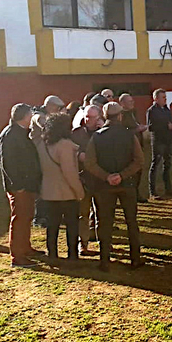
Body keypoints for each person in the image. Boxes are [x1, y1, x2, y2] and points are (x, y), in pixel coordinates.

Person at [84, 102, 145, 271]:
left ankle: (104, 261)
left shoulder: (96, 137)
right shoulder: (129, 135)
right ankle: (135, 258)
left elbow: (89, 162)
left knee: (104, 223)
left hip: (104, 186)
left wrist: (107, 176)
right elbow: (139, 160)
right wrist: (123, 175)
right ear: (120, 116)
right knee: (131, 221)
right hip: (127, 185)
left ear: (104, 116)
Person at [0, 103, 43, 267]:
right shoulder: (10, 135)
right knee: (19, 219)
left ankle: (25, 247)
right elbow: (7, 163)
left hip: (28, 184)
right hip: (19, 187)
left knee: (27, 216)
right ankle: (17, 256)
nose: (32, 118)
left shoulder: (22, 133)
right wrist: (18, 185)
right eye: (30, 115)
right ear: (24, 117)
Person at [37, 113, 84, 262]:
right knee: (71, 225)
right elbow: (69, 172)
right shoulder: (64, 145)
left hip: (48, 191)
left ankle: (52, 254)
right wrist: (79, 191)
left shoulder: (42, 144)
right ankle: (72, 255)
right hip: (66, 192)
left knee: (52, 226)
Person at [30, 95, 65, 228]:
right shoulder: (38, 116)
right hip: (38, 155)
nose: (58, 110)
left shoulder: (47, 115)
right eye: (57, 107)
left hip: (47, 154)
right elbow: (44, 124)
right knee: (42, 186)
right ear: (50, 106)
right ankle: (39, 217)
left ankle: (51, 213)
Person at [72, 105, 102, 256]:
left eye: (92, 117)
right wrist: (78, 156)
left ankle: (103, 242)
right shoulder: (76, 134)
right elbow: (70, 152)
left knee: (101, 213)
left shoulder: (103, 133)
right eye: (87, 117)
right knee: (83, 214)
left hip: (100, 179)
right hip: (83, 179)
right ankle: (82, 245)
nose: (88, 120)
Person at [146, 89, 172, 199]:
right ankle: (152, 192)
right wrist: (167, 126)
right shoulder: (151, 111)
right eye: (163, 97)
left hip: (167, 140)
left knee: (167, 165)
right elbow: (151, 127)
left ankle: (168, 188)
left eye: (165, 97)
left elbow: (170, 121)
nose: (165, 99)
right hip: (158, 141)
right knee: (155, 165)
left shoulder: (166, 109)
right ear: (156, 99)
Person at [119, 93, 148, 202]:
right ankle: (129, 195)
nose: (132, 103)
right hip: (128, 147)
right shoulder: (121, 115)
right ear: (122, 103)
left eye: (132, 101)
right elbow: (122, 132)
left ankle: (136, 193)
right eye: (129, 102)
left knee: (139, 170)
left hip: (138, 144)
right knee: (131, 171)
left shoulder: (133, 113)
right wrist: (136, 130)